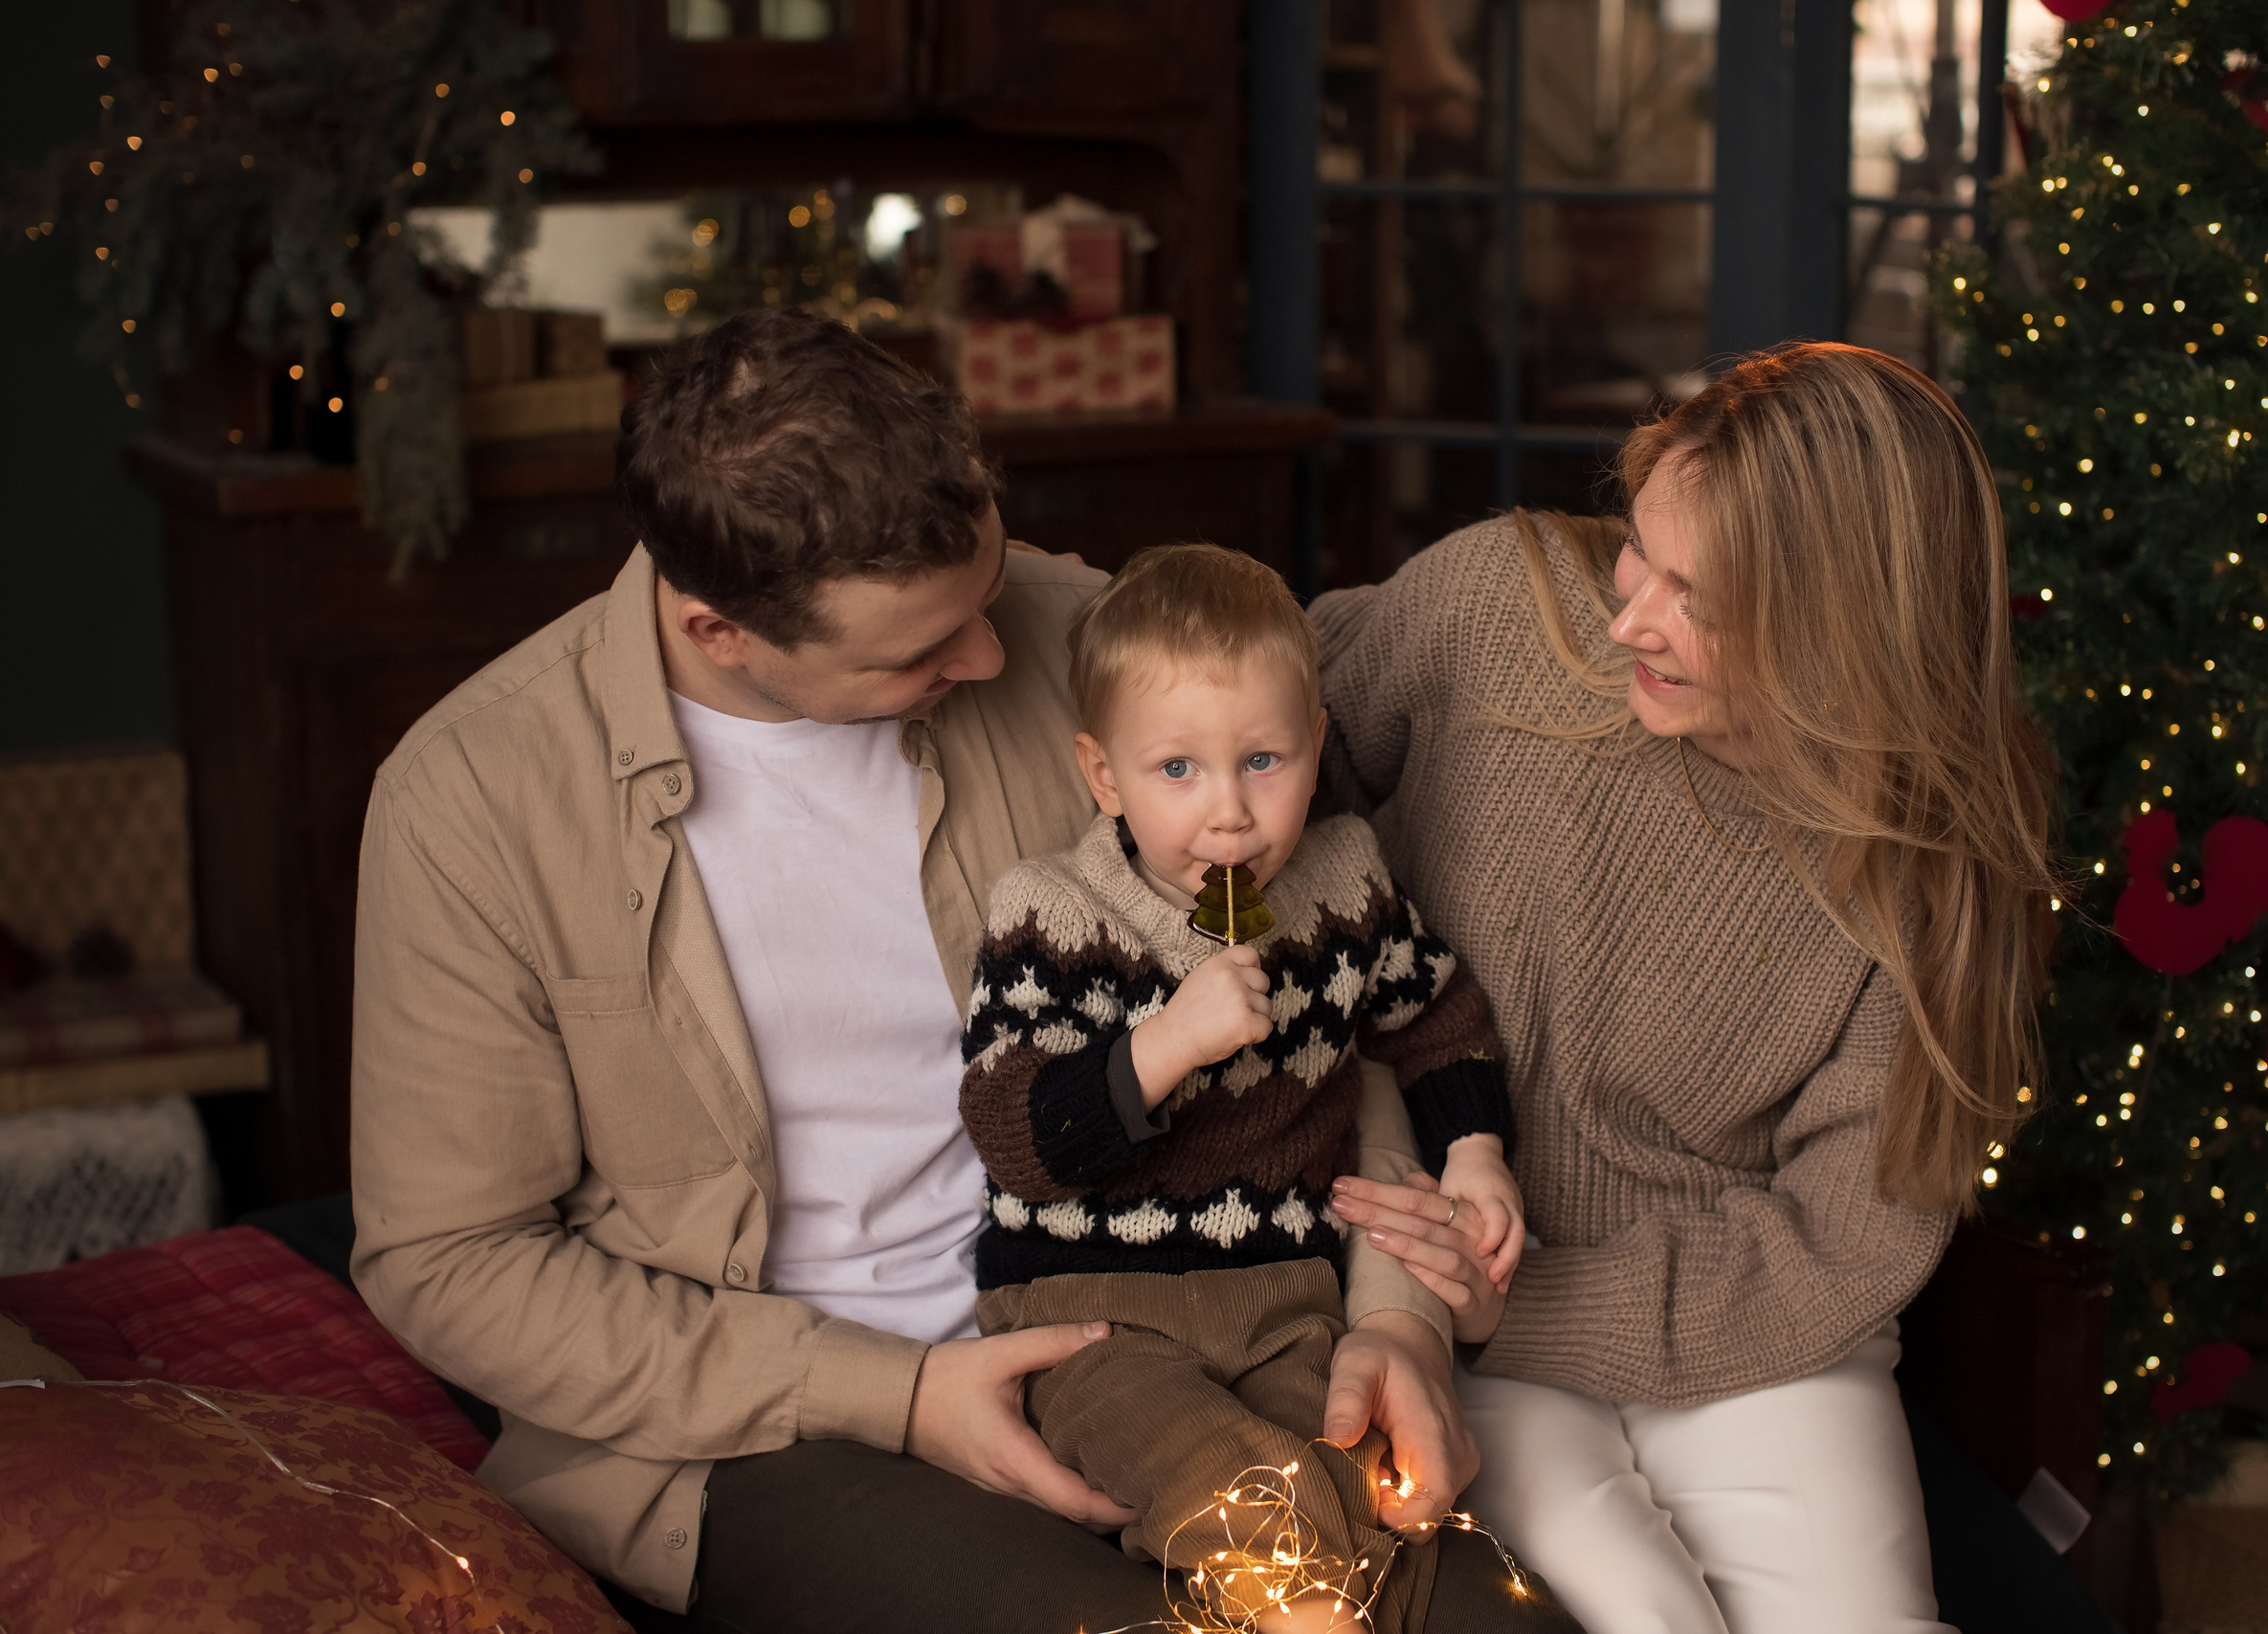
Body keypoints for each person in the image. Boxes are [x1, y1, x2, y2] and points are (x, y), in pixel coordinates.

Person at [348, 309, 1572, 1633]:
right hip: (774, 1424)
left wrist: (1399, 1319)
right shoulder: (474, 800)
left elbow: (1332, 996)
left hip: (1177, 1311)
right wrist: (899, 1395)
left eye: (985, 594)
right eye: (917, 655)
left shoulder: (1089, 645)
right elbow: (450, 1257)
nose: (991, 661)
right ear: (719, 630)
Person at [1317, 343, 2057, 1634]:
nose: (1627, 620)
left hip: (1748, 1323)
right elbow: (1271, 746)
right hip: (1442, 1280)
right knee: (1648, 1619)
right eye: (1637, 551)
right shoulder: (1500, 604)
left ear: (1846, 632)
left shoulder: (1933, 862)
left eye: (1695, 596)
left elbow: (1842, 1237)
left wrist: (1532, 1297)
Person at [958, 545, 1524, 1633]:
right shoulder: (1052, 914)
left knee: (1365, 1475)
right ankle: (1305, 1611)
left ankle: (1332, 1594)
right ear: (1103, 774)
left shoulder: (1347, 878)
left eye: (1263, 759)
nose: (1229, 814)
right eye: (1177, 771)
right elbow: (1013, 1133)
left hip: (1283, 1300)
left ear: (1314, 747)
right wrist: (1163, 1046)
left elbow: (1439, 1018)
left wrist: (1475, 1153)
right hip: (1093, 1313)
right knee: (1211, 1469)